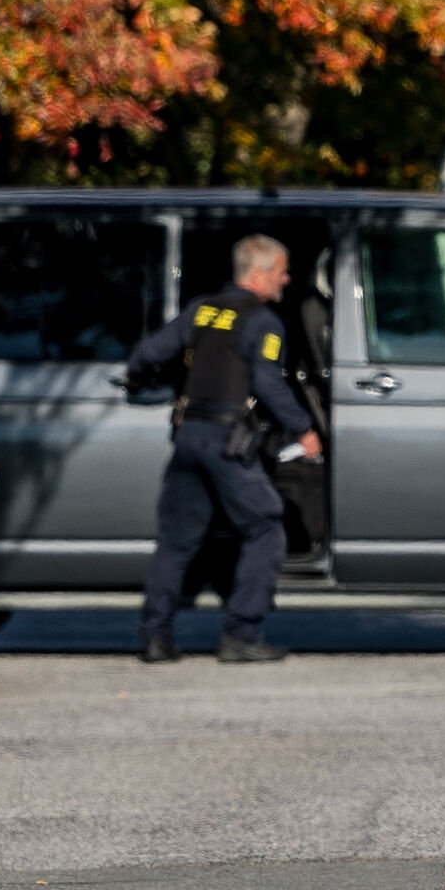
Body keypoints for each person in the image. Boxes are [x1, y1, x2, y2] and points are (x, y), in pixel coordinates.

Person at [123, 234, 322, 666]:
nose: (286, 280)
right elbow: (268, 383)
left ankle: (156, 637)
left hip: (188, 436)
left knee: (176, 541)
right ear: (259, 273)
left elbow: (147, 354)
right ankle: (242, 634)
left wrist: (137, 381)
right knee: (267, 525)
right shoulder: (264, 321)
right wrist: (304, 429)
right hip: (227, 443)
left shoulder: (203, 309)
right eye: (281, 271)